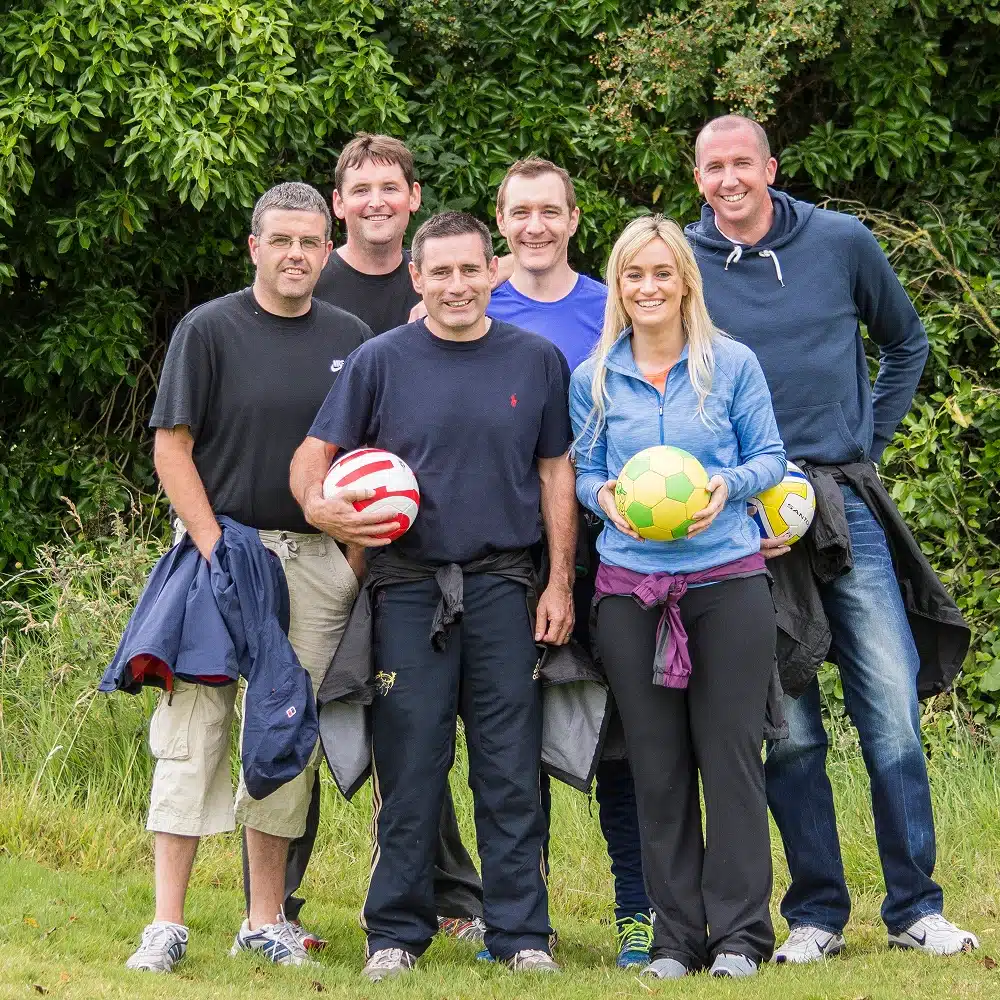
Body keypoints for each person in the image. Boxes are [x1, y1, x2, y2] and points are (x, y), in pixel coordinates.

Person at [686, 113, 978, 961]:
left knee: (888, 708)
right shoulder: (690, 265)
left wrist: (866, 445)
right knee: (793, 725)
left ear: (770, 166)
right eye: (713, 168)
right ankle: (815, 916)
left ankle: (916, 907)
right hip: (747, 517)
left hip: (843, 502)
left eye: (743, 162)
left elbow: (906, 342)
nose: (729, 180)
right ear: (698, 178)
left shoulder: (842, 241)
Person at [290, 211, 576, 981]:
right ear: (417, 279)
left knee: (509, 767)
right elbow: (312, 460)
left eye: (470, 269)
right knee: (410, 765)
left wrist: (558, 581)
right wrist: (319, 507)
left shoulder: (538, 360)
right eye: (439, 272)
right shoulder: (379, 361)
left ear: (495, 272)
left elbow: (556, 474)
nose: (456, 285)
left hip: (505, 586)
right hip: (408, 589)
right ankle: (395, 933)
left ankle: (520, 934)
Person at [124, 182, 375, 972]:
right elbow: (172, 448)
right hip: (218, 553)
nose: (297, 255)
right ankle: (166, 925)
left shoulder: (354, 337)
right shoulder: (209, 329)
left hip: (313, 562)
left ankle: (264, 919)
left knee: (283, 737)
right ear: (255, 247)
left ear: (328, 249)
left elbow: (368, 459)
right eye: (282, 241)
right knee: (192, 733)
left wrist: (348, 563)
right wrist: (210, 546)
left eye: (311, 242)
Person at [255, 133, 487, 947]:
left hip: (421, 551)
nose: (379, 201)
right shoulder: (316, 278)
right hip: (330, 536)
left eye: (393, 186)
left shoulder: (447, 282)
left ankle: (447, 895)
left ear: (415, 198)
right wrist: (326, 512)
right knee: (311, 713)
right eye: (363, 189)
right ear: (340, 203)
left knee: (415, 731)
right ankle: (278, 905)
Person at [571, 214, 786, 979]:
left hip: (726, 583)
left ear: (686, 282)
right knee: (656, 767)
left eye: (663, 273)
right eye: (634, 275)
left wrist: (727, 483)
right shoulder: (594, 377)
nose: (649, 287)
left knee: (729, 758)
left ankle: (738, 937)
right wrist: (608, 503)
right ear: (619, 288)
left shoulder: (731, 365)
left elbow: (770, 456)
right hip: (630, 590)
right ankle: (674, 939)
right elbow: (586, 472)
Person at [488, 156, 653, 968]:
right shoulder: (472, 302)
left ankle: (637, 912)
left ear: (574, 219)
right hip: (513, 553)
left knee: (619, 737)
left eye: (550, 211)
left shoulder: (612, 308)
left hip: (612, 547)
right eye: (520, 212)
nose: (536, 226)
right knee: (517, 743)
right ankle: (526, 924)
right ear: (501, 220)